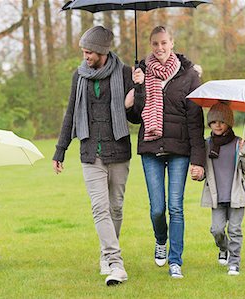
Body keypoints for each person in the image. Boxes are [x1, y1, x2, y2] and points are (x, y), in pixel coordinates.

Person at [52, 25, 135, 286]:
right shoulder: (80, 76)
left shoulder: (125, 74)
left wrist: (139, 92)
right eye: (84, 51)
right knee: (100, 208)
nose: (86, 56)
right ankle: (115, 262)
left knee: (116, 208)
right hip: (90, 150)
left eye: (89, 51)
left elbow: (136, 116)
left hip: (118, 149)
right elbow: (70, 114)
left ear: (102, 51)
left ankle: (106, 253)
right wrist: (60, 149)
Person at [125, 25, 205, 278]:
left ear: (172, 43)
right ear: (150, 45)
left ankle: (175, 261)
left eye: (164, 43)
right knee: (157, 208)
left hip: (180, 149)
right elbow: (135, 117)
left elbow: (195, 120)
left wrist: (198, 160)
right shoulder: (141, 72)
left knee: (176, 207)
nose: (160, 48)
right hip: (150, 148)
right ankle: (161, 240)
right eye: (155, 44)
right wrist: (138, 87)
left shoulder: (190, 75)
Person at [191, 102, 245, 276]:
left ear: (229, 123)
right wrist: (198, 174)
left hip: (236, 195)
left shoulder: (239, 144)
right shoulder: (207, 145)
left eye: (222, 121)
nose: (217, 125)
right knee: (216, 229)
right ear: (209, 123)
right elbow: (204, 171)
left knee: (234, 229)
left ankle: (234, 262)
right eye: (213, 121)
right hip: (216, 196)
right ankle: (223, 248)